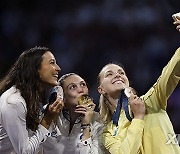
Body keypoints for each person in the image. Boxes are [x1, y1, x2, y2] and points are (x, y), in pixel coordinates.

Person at [97, 45, 180, 154]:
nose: (117, 75)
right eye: (109, 74)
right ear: (101, 89)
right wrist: (138, 118)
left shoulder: (150, 101)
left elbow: (171, 72)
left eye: (121, 73)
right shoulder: (108, 132)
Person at [0, 46, 64, 154]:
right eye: (52, 63)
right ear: (35, 69)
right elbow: (25, 152)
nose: (58, 68)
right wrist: (47, 120)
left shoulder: (32, 97)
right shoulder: (14, 102)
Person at [41, 73, 107, 154]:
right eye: (73, 87)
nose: (81, 90)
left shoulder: (98, 122)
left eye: (83, 85)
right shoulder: (48, 113)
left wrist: (86, 126)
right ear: (62, 97)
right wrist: (48, 117)